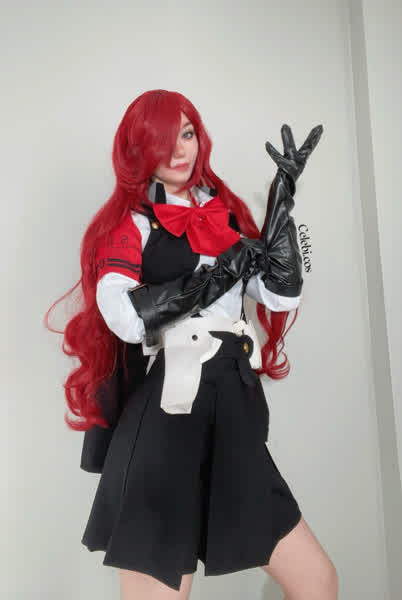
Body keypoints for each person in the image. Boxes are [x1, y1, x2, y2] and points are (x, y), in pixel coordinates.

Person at [45, 90, 337, 599]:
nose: (179, 150)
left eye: (186, 133)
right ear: (138, 151)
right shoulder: (131, 224)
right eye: (162, 140)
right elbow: (126, 317)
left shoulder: (224, 214)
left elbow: (279, 294)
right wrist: (217, 275)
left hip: (233, 416)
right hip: (168, 419)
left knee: (317, 580)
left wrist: (282, 207)